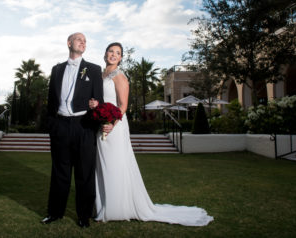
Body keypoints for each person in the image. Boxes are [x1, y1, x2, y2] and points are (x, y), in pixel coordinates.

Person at [90, 42, 213, 226]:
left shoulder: (119, 76)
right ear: (105, 52)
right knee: (102, 165)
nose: (113, 55)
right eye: (111, 51)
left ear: (121, 57)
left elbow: (122, 107)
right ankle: (103, 204)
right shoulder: (100, 75)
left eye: (118, 53)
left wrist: (112, 125)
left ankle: (116, 208)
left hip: (114, 126)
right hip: (101, 125)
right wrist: (95, 107)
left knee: (114, 165)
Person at [42, 32, 103, 228]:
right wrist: (52, 125)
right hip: (60, 127)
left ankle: (84, 216)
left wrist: (95, 104)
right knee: (60, 172)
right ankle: (54, 213)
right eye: (79, 39)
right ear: (69, 43)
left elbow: (99, 100)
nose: (83, 42)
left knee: (84, 174)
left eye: (85, 40)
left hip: (83, 126)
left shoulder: (93, 69)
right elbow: (52, 100)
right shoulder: (57, 69)